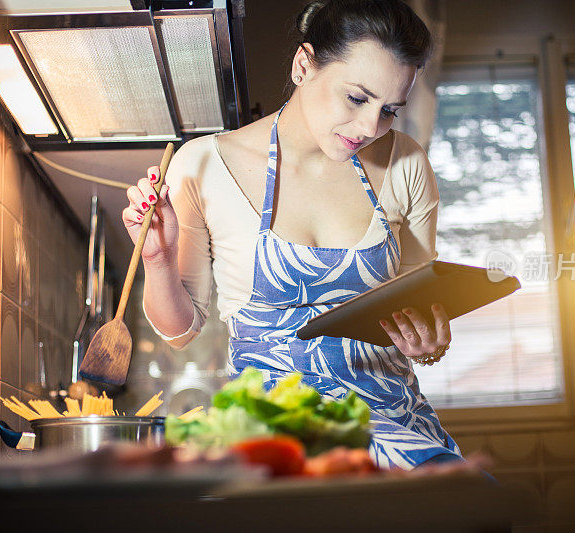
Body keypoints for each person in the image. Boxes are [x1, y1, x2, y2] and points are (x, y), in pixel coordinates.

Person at [123, 0, 460, 469]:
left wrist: (429, 343)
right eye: (357, 98)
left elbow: (417, 305)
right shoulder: (202, 165)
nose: (369, 127)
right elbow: (181, 332)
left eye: (390, 111)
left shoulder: (406, 164)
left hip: (393, 423)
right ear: (304, 65)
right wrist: (158, 259)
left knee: (465, 502)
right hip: (272, 429)